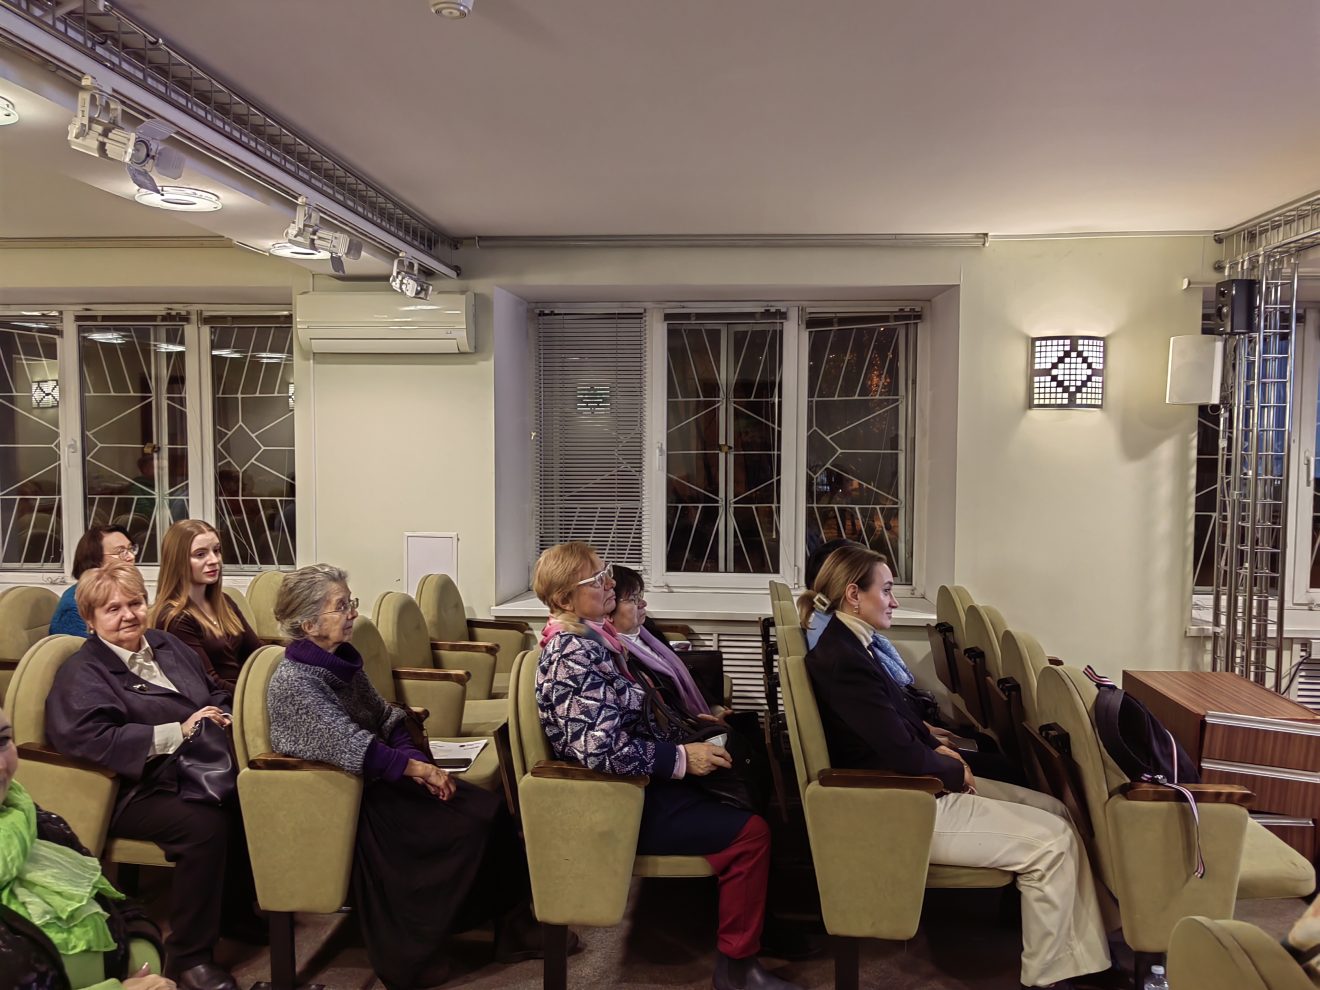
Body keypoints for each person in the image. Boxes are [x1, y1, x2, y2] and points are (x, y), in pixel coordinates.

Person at [802, 544, 1112, 990]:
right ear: (854, 594)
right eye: (886, 590)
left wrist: (937, 748)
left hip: (908, 786)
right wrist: (952, 772)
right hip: (898, 804)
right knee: (1053, 843)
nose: (894, 601)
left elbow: (896, 724)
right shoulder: (843, 659)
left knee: (1057, 811)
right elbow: (899, 753)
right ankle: (1049, 978)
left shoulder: (851, 645)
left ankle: (1081, 960)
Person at [266, 565, 549, 990]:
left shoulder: (340, 659)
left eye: (349, 602)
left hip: (378, 778)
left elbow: (386, 716)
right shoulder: (295, 682)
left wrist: (416, 761)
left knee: (489, 810)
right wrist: (417, 769)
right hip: (344, 799)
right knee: (460, 827)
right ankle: (408, 957)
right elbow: (351, 746)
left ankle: (513, 927)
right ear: (309, 624)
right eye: (341, 606)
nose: (352, 613)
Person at [534, 542, 802, 990]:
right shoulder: (572, 654)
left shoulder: (592, 639)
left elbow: (627, 719)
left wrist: (685, 728)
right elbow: (600, 749)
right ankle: (737, 969)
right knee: (750, 834)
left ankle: (754, 924)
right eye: (597, 579)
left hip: (634, 783)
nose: (610, 583)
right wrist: (681, 758)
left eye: (606, 573)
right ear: (565, 599)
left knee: (742, 777)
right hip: (617, 801)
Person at [44, 562, 263, 990]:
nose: (128, 615)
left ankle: (234, 914)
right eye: (112, 609)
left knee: (245, 797)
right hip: (128, 788)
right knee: (204, 824)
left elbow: (211, 690)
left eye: (135, 603)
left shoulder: (165, 644)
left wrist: (223, 713)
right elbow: (88, 739)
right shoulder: (83, 672)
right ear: (89, 620)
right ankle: (190, 957)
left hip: (194, 768)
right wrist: (177, 731)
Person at [0, 704, 174, 990]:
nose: (1, 766)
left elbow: (121, 907)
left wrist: (145, 962)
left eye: (3, 740)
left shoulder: (35, 821)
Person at [149, 521, 261, 694]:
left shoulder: (224, 602)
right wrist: (255, 697)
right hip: (223, 702)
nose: (214, 560)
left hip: (245, 694)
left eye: (216, 550)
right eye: (200, 554)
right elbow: (209, 682)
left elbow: (257, 653)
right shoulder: (175, 617)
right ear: (177, 561)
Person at [49, 526, 137, 637]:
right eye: (120, 551)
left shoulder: (123, 592)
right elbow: (88, 647)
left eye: (130, 549)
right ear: (96, 559)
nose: (131, 557)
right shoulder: (75, 607)